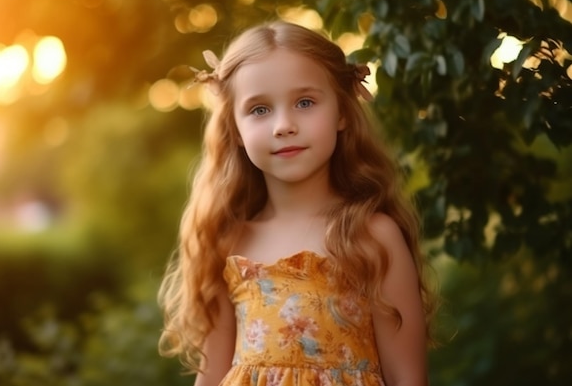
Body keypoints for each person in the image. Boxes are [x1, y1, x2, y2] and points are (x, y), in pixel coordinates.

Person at [158, 21, 437, 386]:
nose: (284, 125)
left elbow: (408, 379)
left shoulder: (371, 237)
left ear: (341, 112)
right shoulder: (228, 241)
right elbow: (210, 377)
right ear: (235, 130)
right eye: (259, 110)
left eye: (305, 102)